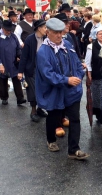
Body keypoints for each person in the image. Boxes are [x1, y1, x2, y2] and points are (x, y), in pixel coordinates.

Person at [36, 18, 89, 160]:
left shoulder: (67, 44)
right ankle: (51, 140)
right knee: (53, 117)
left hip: (72, 90)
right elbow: (48, 75)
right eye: (55, 33)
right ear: (48, 32)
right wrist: (66, 80)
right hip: (55, 91)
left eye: (61, 32)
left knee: (75, 119)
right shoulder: (43, 52)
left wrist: (78, 76)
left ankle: (74, 149)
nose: (59, 36)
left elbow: (77, 63)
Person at [17, 19, 48, 122]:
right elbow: (24, 57)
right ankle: (33, 111)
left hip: (43, 68)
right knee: (34, 90)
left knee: (43, 89)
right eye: (44, 27)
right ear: (39, 28)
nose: (46, 29)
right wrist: (20, 72)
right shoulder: (30, 39)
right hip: (32, 68)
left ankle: (40, 109)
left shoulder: (46, 38)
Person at [0, 20, 26, 106]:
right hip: (2, 62)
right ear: (2, 28)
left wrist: (19, 56)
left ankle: (20, 98)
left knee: (16, 79)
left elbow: (18, 48)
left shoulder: (13, 36)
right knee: (3, 80)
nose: (9, 32)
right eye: (7, 30)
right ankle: (4, 98)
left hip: (13, 62)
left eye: (10, 30)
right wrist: (0, 64)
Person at [84, 26, 102, 122]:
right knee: (97, 96)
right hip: (97, 74)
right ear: (96, 35)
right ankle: (99, 115)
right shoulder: (91, 47)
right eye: (100, 34)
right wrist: (89, 74)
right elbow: (88, 62)